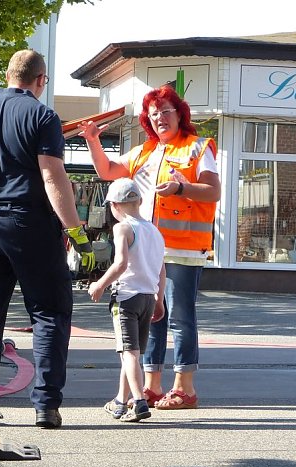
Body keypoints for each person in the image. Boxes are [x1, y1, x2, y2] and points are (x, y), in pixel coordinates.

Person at [0, 48, 95, 429]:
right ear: (41, 80)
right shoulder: (42, 115)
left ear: (7, 75)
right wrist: (75, 232)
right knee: (49, 312)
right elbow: (52, 176)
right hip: (29, 222)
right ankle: (46, 406)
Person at [81, 84, 220, 411]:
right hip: (150, 252)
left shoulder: (198, 148)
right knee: (153, 316)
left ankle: (184, 388)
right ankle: (152, 386)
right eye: (154, 114)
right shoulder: (144, 151)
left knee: (180, 318)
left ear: (179, 114)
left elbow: (212, 192)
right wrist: (92, 140)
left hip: (184, 249)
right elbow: (106, 172)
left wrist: (181, 187)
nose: (160, 119)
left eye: (166, 112)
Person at [88, 178, 165, 422]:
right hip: (147, 298)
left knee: (128, 353)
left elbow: (120, 263)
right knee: (132, 353)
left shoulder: (123, 228)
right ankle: (120, 401)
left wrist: (100, 284)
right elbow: (162, 270)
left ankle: (139, 402)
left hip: (126, 298)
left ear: (114, 206)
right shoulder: (154, 231)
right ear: (140, 201)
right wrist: (160, 299)